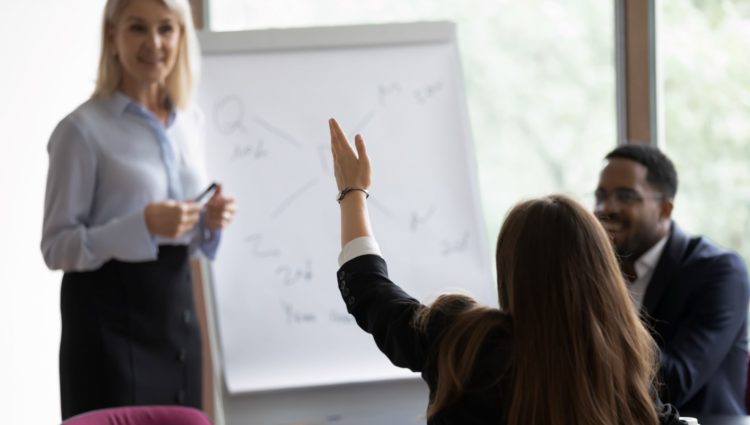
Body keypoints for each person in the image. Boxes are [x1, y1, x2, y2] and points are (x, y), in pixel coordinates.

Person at [328, 118, 682, 424]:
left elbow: (370, 290)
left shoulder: (465, 343)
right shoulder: (619, 357)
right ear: (601, 269)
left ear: (510, 267)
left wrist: (353, 193)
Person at [41, 0, 236, 419]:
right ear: (111, 36)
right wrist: (141, 224)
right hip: (106, 328)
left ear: (182, 36)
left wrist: (209, 224)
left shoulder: (191, 122)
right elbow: (56, 247)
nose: (155, 43)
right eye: (137, 28)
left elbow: (189, 243)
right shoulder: (80, 131)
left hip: (177, 321)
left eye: (166, 28)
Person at [594, 144, 749, 415]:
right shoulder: (603, 269)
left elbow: (674, 383)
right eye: (601, 195)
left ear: (665, 209)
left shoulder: (719, 272)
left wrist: (605, 306)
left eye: (625, 196)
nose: (607, 208)